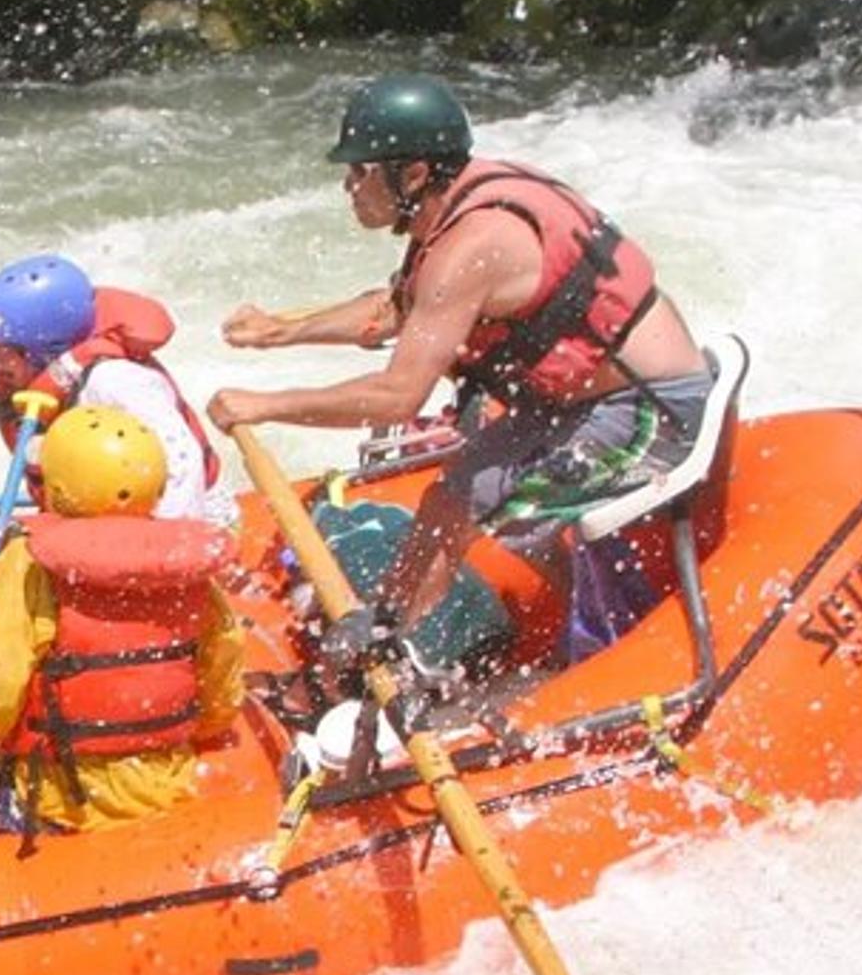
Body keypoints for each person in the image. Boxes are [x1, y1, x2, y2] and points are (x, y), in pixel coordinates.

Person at [207, 73, 713, 656]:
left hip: (651, 410)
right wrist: (284, 332)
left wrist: (266, 406)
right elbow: (400, 308)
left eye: (360, 171)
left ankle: (381, 656)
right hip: (589, 400)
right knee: (468, 493)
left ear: (414, 173)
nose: (348, 185)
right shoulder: (460, 201)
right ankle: (591, 626)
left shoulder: (470, 247)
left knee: (453, 504)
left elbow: (397, 397)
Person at [0, 407, 243, 836]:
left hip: (56, 798)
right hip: (167, 784)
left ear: (60, 487)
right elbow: (221, 683)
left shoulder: (28, 563)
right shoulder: (183, 567)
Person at [0, 253, 237, 527]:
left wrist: (169, 549)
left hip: (193, 516)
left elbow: (183, 463)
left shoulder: (114, 381)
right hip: (102, 507)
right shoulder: (19, 384)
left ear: (50, 348)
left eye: (12, 350)